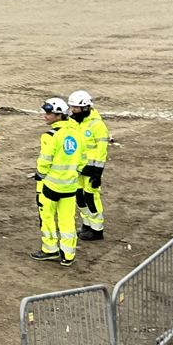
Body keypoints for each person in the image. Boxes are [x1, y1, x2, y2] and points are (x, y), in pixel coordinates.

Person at [33, 97, 85, 266]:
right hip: (70, 186)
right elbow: (83, 159)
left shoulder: (50, 136)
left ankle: (50, 249)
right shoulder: (76, 132)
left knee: (47, 217)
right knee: (68, 220)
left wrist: (40, 174)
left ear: (58, 115)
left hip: (51, 186)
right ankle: (68, 255)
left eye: (49, 113)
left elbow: (45, 161)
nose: (45, 116)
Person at [68, 89, 109, 241]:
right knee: (80, 197)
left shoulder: (97, 125)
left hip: (92, 170)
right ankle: (87, 224)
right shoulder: (73, 122)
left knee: (91, 197)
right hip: (77, 168)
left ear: (85, 108)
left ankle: (97, 229)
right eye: (72, 107)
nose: (73, 110)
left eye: (76, 108)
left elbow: (101, 149)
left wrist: (98, 172)